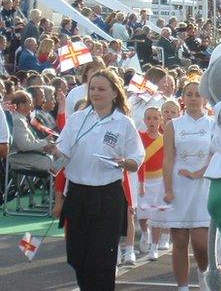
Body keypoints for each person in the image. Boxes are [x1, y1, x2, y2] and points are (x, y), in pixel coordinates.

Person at [53, 69, 144, 291]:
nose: (95, 93)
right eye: (92, 88)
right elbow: (61, 153)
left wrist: (124, 162)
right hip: (78, 193)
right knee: (78, 257)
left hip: (108, 195)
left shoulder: (123, 123)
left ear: (115, 93)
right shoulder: (77, 119)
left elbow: (136, 160)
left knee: (102, 260)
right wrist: (51, 150)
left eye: (101, 89)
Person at [150, 81, 212, 291]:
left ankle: (205, 277)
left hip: (203, 185)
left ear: (204, 98)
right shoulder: (173, 125)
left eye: (197, 94)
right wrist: (168, 188)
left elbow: (215, 155)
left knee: (201, 243)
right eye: (189, 94)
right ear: (182, 98)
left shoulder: (213, 124)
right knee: (179, 240)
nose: (193, 98)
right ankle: (182, 286)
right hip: (178, 186)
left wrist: (198, 173)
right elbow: (168, 159)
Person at [137, 107, 165, 260]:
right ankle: (144, 232)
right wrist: (141, 182)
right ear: (144, 120)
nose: (152, 121)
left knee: (158, 212)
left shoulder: (165, 139)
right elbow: (139, 162)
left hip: (159, 180)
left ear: (161, 120)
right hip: (143, 180)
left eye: (155, 118)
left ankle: (154, 246)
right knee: (142, 212)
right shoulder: (140, 137)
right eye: (149, 118)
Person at [8, 90, 56, 172]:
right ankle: (55, 184)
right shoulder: (17, 120)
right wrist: (45, 142)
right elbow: (24, 145)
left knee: (61, 157)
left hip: (28, 155)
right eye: (30, 103)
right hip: (19, 158)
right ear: (21, 105)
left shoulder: (21, 119)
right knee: (59, 161)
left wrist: (45, 146)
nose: (32, 106)